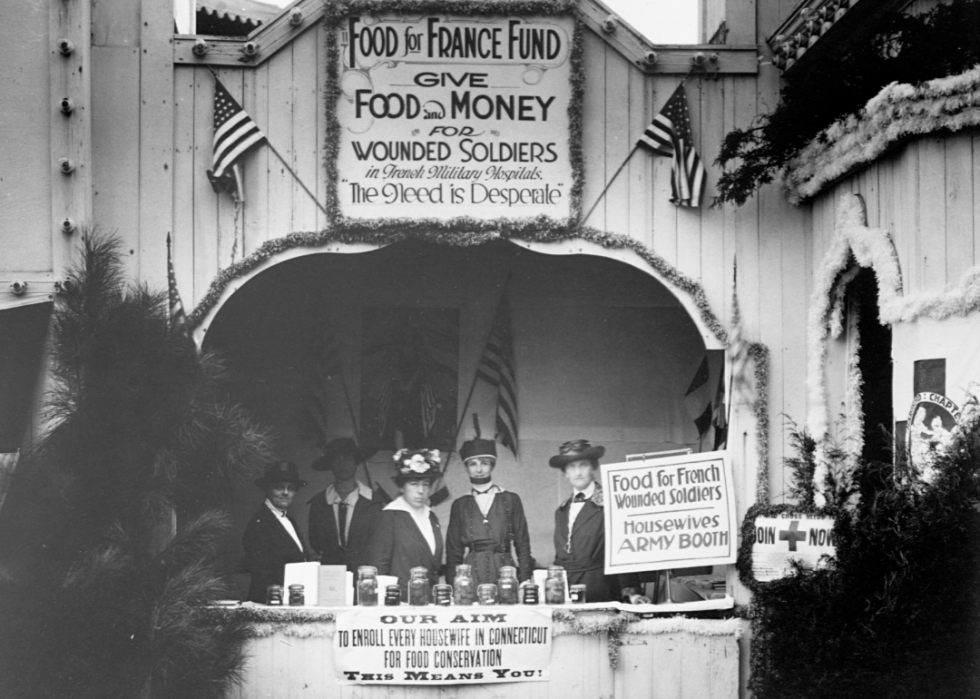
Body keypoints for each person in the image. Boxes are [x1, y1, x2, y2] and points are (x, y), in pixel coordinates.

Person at [550, 440, 647, 604]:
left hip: (601, 588)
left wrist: (632, 593)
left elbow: (623, 550)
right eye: (572, 467)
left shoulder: (609, 503)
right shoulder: (561, 511)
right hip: (567, 593)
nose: (578, 472)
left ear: (594, 468)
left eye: (583, 465)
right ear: (565, 473)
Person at [446, 416, 533, 586]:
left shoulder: (510, 499)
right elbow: (454, 551)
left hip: (506, 570)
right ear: (466, 467)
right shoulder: (460, 505)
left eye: (484, 463)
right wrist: (452, 584)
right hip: (470, 574)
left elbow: (522, 543)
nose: (479, 469)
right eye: (473, 464)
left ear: (492, 465)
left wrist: (525, 579)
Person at [367, 448, 444, 601]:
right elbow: (378, 567)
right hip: (401, 603)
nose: (421, 490)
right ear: (402, 487)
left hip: (429, 602)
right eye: (414, 484)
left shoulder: (431, 517)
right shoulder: (389, 516)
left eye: (426, 484)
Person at [307, 438, 385, 574]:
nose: (342, 464)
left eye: (347, 458)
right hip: (330, 576)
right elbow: (315, 541)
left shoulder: (373, 503)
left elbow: (379, 544)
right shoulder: (319, 503)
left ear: (356, 463)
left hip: (364, 576)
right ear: (330, 465)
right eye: (336, 459)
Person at [242, 461, 312, 603]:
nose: (285, 493)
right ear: (267, 489)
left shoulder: (290, 521)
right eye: (279, 487)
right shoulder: (259, 524)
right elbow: (261, 573)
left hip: (290, 601)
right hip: (269, 603)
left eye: (290, 488)